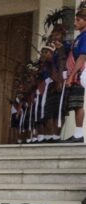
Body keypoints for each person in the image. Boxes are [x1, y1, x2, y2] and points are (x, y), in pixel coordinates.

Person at [65, 6, 86, 143]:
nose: (75, 23)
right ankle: (77, 133)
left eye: (78, 20)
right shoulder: (79, 37)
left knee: (78, 104)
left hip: (79, 74)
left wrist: (72, 75)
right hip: (75, 75)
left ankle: (79, 134)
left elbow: (82, 57)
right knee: (75, 103)